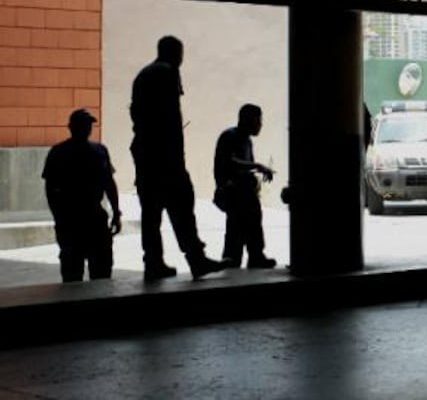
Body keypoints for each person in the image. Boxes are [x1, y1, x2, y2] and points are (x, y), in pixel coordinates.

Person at [130, 35, 225, 281]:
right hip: (166, 158)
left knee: (151, 215)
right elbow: (170, 118)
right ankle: (196, 259)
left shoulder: (143, 75)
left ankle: (153, 262)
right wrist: (177, 160)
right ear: (175, 53)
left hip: (145, 155)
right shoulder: (168, 72)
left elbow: (136, 113)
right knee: (183, 207)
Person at [42, 109, 122, 282]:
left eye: (88, 125)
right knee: (89, 273)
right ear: (72, 127)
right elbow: (50, 189)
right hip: (80, 218)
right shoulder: (97, 151)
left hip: (80, 218)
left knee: (83, 272)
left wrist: (116, 212)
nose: (87, 128)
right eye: (85, 125)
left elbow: (109, 183)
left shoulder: (60, 152)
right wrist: (116, 212)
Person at [214, 104, 277, 269]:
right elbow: (230, 161)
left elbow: (245, 165)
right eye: (258, 120)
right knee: (237, 228)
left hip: (244, 192)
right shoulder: (230, 136)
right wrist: (257, 166)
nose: (260, 124)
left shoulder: (246, 140)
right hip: (234, 193)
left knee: (253, 223)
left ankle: (255, 256)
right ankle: (234, 260)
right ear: (248, 120)